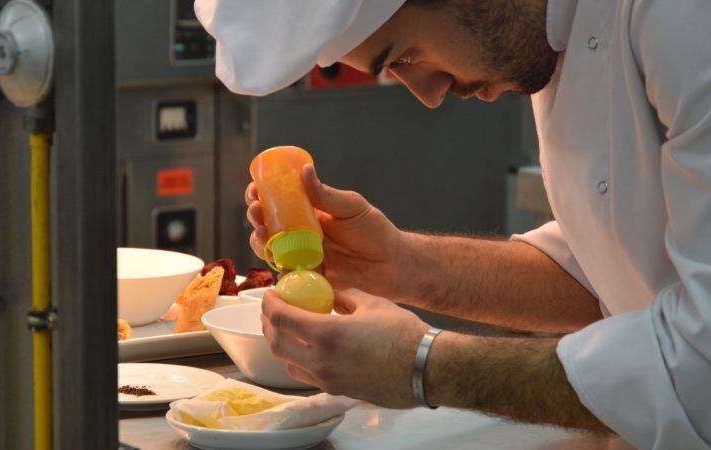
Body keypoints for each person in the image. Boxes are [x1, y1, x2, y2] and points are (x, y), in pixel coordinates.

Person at [194, 0, 711, 448]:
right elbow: (613, 275)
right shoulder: (546, 41)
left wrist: (424, 366)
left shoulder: (684, 19)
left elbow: (700, 369)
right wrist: (400, 265)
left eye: (404, 55)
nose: (429, 94)